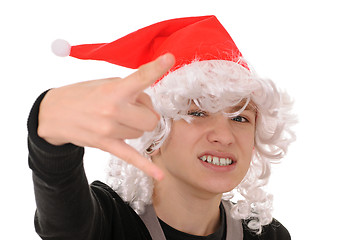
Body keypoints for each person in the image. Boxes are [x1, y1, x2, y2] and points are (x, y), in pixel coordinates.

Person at [28, 15, 296, 239]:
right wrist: (51, 132)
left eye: (240, 118)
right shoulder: (105, 222)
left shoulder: (267, 235)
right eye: (198, 112)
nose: (224, 136)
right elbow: (63, 223)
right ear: (154, 134)